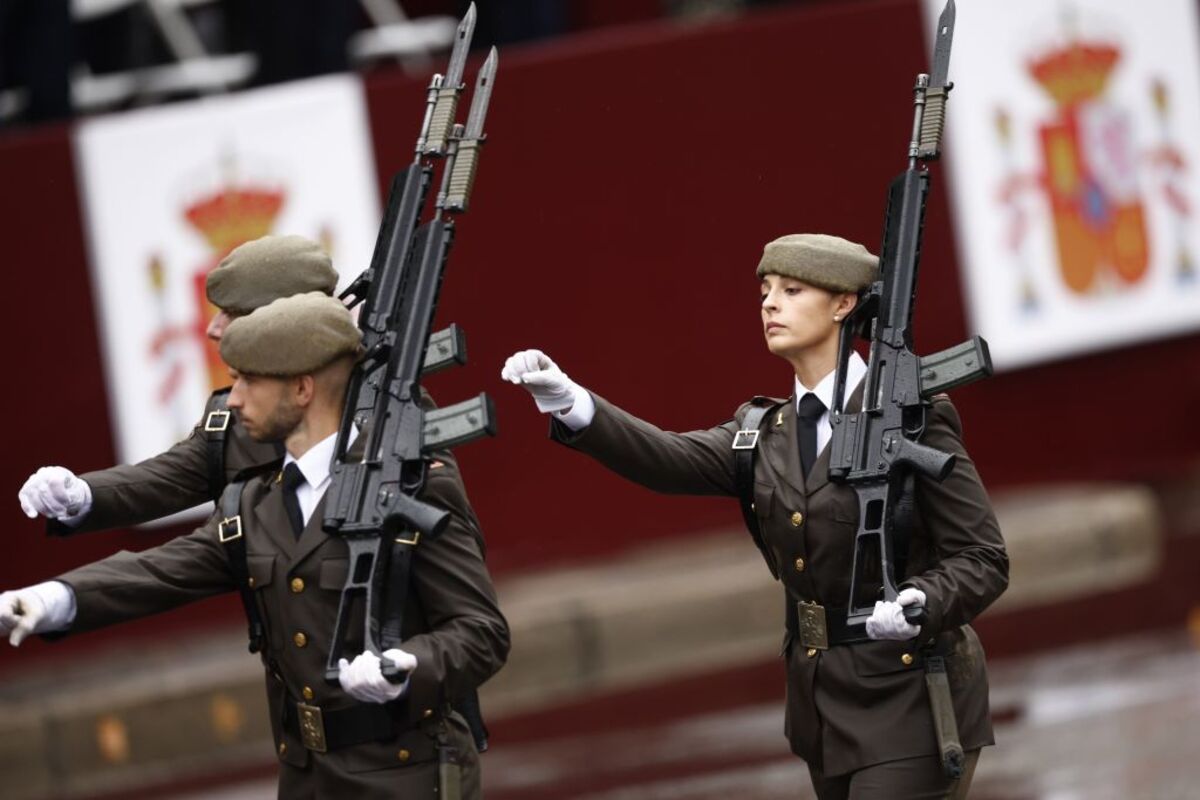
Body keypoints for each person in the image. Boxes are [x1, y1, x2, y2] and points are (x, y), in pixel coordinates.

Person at [501, 233, 1008, 799]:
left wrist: (924, 602)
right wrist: (571, 401)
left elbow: (983, 556)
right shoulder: (766, 432)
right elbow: (669, 459)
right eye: (765, 291)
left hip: (912, 690)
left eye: (792, 290)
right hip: (824, 702)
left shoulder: (914, 419)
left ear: (844, 305)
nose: (769, 303)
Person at [2, 293, 509, 799]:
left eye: (249, 380)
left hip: (409, 776)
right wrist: (48, 600)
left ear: (302, 389)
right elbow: (158, 572)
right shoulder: (254, 503)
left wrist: (409, 666)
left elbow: (480, 631)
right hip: (306, 775)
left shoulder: (411, 486)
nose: (234, 397)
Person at [17, 234, 337, 535]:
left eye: (232, 314)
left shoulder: (378, 408)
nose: (213, 329)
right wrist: (79, 494)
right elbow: (168, 479)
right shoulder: (232, 417)